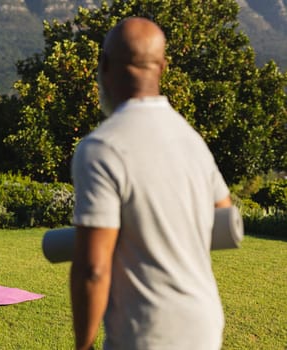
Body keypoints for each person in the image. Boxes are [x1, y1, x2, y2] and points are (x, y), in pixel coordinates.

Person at [70, 17, 233, 350]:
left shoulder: (101, 147)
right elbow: (223, 217)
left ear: (104, 66)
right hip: (204, 325)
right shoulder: (190, 139)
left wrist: (83, 346)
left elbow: (92, 269)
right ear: (163, 66)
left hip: (147, 332)